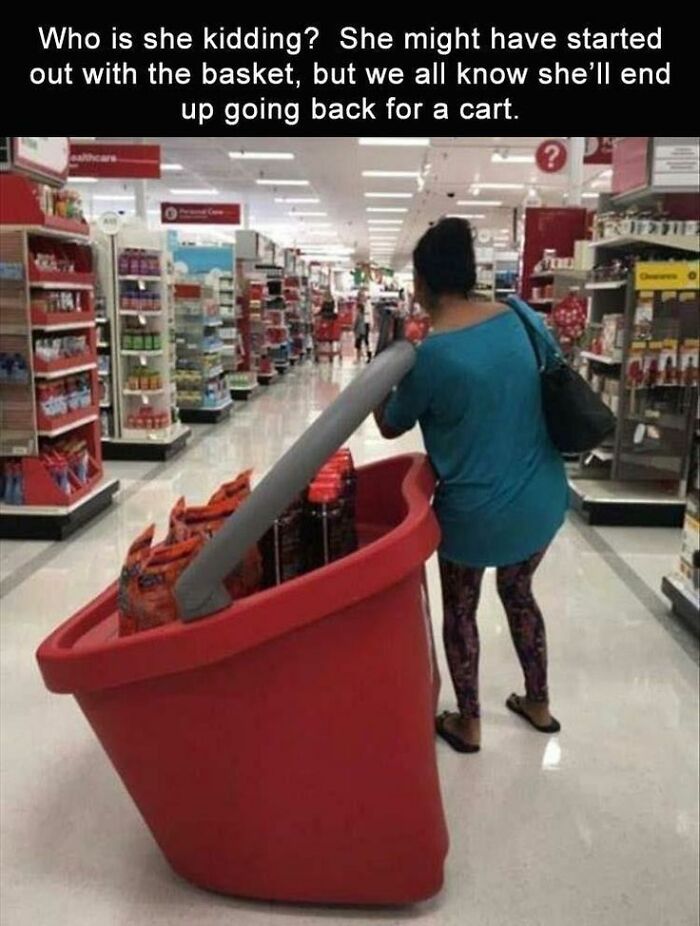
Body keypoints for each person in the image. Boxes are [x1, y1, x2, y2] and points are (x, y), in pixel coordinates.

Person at [374, 218, 568, 754]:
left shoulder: (430, 356)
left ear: (422, 281)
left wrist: (382, 366)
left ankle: (469, 721)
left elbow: (389, 424)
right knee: (518, 592)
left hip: (472, 519)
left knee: (461, 610)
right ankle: (539, 703)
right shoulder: (519, 317)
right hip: (542, 500)